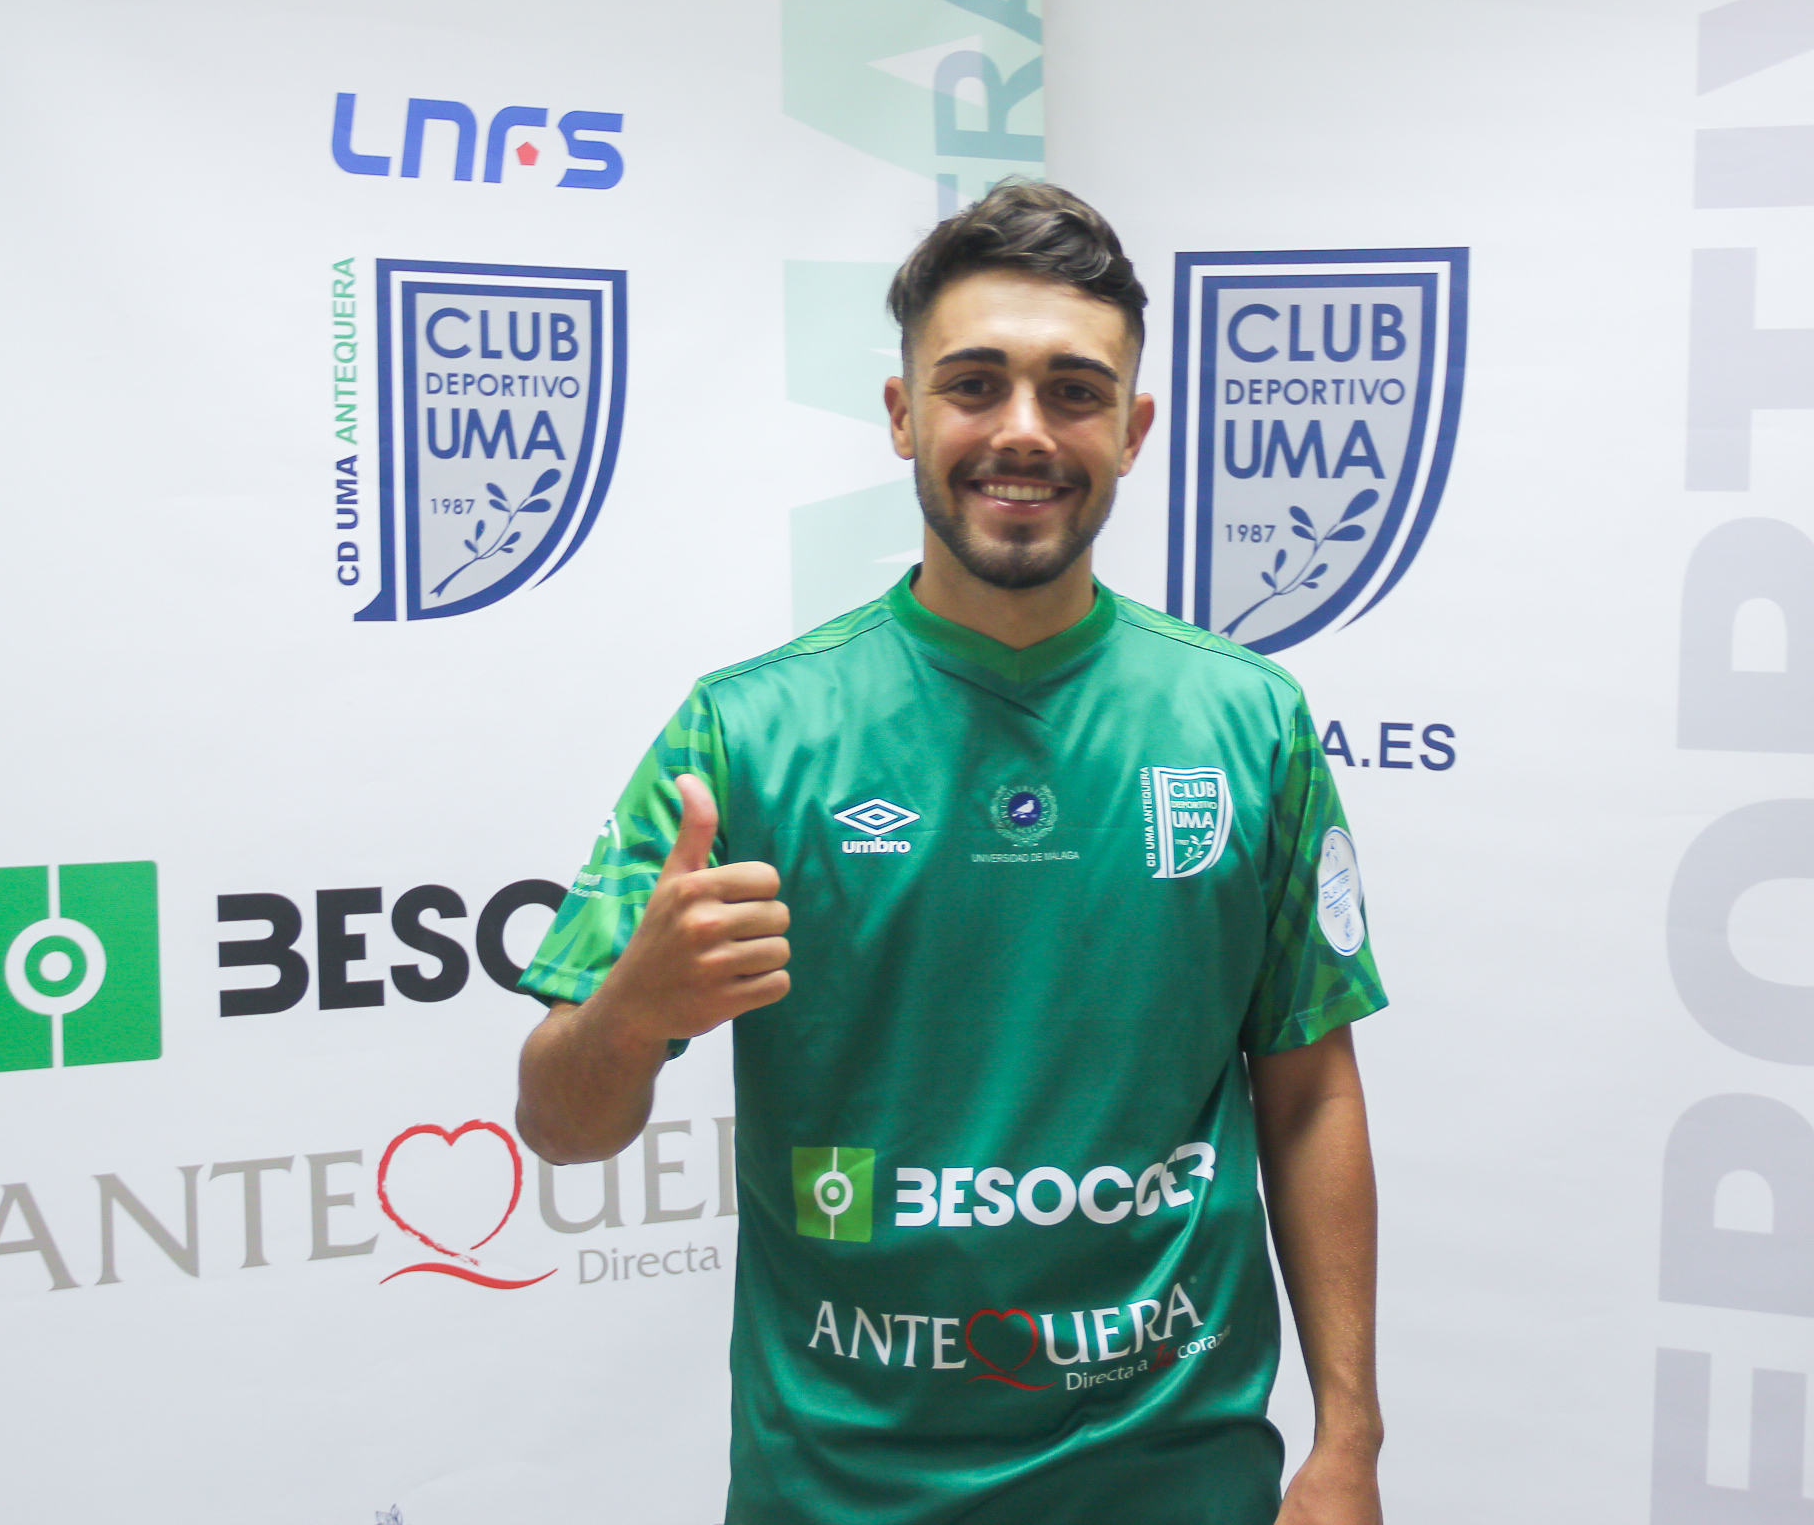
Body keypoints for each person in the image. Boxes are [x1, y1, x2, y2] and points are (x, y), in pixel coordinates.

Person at [514, 179, 1386, 1525]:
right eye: (975, 385)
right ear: (903, 415)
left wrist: (1349, 1439)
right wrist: (629, 1014)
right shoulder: (747, 732)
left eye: (1074, 392)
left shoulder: (1247, 719)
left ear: (1134, 429)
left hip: (1183, 1484)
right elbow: (561, 1127)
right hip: (845, 1494)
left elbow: (1312, 1090)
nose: (1023, 430)